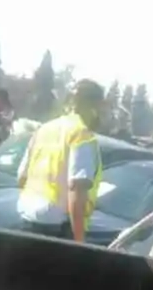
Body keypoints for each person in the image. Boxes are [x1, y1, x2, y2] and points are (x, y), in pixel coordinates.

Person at [16, 79, 105, 241]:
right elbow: (77, 189)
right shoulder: (81, 134)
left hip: (27, 215)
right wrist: (78, 242)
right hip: (55, 226)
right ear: (94, 106)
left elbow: (21, 177)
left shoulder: (44, 129)